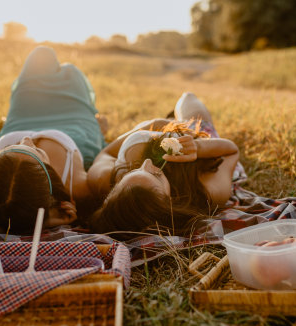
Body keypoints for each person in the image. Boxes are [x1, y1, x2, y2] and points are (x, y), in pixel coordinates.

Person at [0, 46, 108, 234]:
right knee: (71, 73)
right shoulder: (76, 186)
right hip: (77, 129)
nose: (26, 140)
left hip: (23, 117)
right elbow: (108, 156)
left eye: (13, 150)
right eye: (37, 154)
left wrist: (11, 225)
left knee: (42, 55)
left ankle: (97, 123)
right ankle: (98, 126)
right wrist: (41, 222)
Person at [87, 92, 243, 239]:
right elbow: (231, 152)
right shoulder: (209, 192)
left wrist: (153, 126)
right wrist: (199, 147)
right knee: (188, 97)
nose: (146, 163)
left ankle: (168, 121)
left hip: (158, 133)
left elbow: (105, 153)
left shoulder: (102, 180)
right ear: (169, 203)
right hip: (199, 141)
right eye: (155, 175)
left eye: (131, 172)